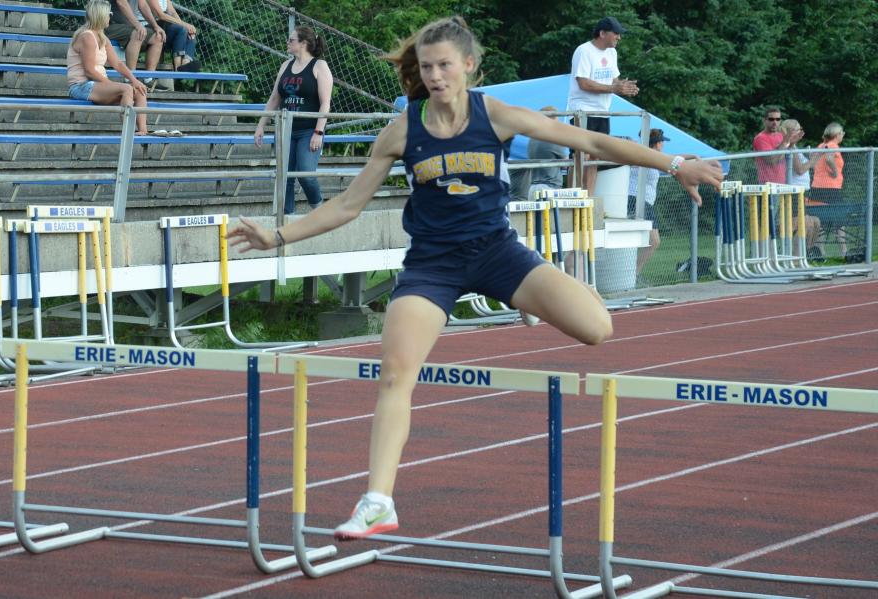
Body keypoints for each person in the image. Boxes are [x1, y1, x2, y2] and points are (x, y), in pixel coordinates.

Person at [227, 16, 722, 540]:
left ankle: (530, 292)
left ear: (468, 66)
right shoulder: (403, 129)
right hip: (432, 266)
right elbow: (348, 205)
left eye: (445, 65)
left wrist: (675, 164)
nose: (435, 76)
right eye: (426, 67)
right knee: (396, 373)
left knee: (598, 329)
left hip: (497, 254)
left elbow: (588, 143)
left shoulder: (498, 115)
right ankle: (377, 501)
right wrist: (276, 236)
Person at [254, 26, 333, 215]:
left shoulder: (319, 66)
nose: (287, 43)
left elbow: (325, 103)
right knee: (284, 176)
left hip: (308, 130)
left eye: (291, 40)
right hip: (285, 130)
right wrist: (260, 126)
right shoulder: (285, 66)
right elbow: (274, 98)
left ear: (303, 44)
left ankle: (319, 210)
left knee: (305, 173)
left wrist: (318, 132)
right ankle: (285, 215)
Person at [566, 16, 638, 195]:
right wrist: (614, 87)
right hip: (582, 111)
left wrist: (623, 87)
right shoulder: (584, 51)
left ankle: (589, 196)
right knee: (580, 155)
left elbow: (613, 79)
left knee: (596, 156)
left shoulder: (612, 53)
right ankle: (574, 194)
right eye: (616, 34)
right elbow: (583, 83)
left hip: (602, 112)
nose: (619, 38)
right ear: (602, 33)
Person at [67, 0, 149, 136]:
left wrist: (134, 80)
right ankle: (128, 133)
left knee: (139, 91)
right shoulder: (87, 36)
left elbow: (117, 64)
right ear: (100, 16)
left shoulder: (102, 37)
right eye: (108, 14)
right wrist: (112, 84)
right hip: (81, 86)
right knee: (126, 89)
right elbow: (89, 71)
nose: (110, 17)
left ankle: (143, 131)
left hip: (97, 85)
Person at [626, 128, 690, 278]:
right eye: (662, 142)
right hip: (639, 200)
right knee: (654, 241)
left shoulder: (648, 155)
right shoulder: (651, 158)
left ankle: (630, 274)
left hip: (637, 200)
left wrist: (693, 156)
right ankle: (633, 274)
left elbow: (673, 158)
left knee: (640, 239)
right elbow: (673, 165)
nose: (663, 145)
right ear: (657, 143)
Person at [779, 119, 823, 255]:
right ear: (790, 132)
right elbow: (799, 169)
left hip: (802, 193)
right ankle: (796, 255)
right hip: (792, 193)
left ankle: (807, 252)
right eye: (798, 129)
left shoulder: (795, 147)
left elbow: (806, 167)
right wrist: (814, 160)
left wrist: (812, 159)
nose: (801, 132)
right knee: (806, 224)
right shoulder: (790, 148)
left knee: (816, 222)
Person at [809, 122, 847, 256]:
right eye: (842, 133)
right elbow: (830, 158)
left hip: (817, 188)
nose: (843, 135)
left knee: (821, 221)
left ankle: (820, 252)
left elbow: (812, 163)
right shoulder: (833, 145)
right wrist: (835, 172)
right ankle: (844, 251)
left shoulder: (821, 146)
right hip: (831, 189)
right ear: (837, 135)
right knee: (840, 221)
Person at [104, 0, 165, 75]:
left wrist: (156, 26)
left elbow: (143, 6)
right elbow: (121, 3)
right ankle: (130, 77)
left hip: (127, 27)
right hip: (107, 25)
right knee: (138, 33)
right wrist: (138, 25)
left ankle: (149, 78)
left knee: (158, 37)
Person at [141, 0, 199, 72]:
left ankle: (185, 64)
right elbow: (160, 15)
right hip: (148, 26)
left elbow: (172, 13)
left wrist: (186, 26)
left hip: (162, 27)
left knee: (189, 34)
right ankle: (177, 68)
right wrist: (183, 24)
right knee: (181, 29)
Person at [752, 106, 800, 184]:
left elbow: (783, 155)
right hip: (767, 185)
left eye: (778, 119)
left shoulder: (780, 136)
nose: (775, 122)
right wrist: (784, 144)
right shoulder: (760, 138)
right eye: (771, 119)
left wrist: (791, 144)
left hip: (782, 182)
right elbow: (772, 161)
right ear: (764, 120)